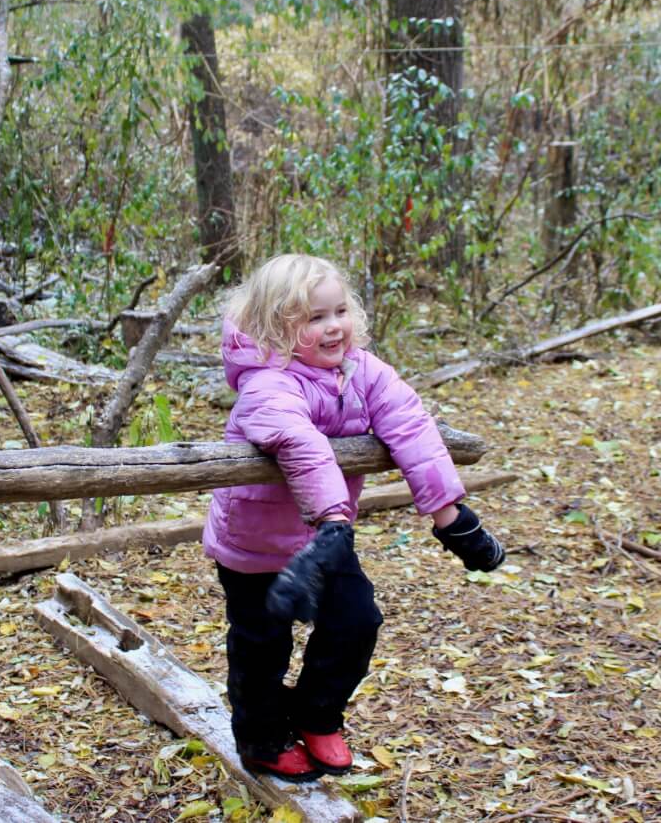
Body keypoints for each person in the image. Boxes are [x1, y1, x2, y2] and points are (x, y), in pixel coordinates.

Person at [202, 253, 506, 781]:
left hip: (326, 540)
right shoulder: (265, 384)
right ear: (276, 327)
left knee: (356, 622)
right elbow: (301, 445)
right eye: (314, 318)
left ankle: (317, 715)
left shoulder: (360, 370)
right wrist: (333, 520)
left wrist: (448, 514)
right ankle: (262, 737)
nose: (333, 326)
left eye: (339, 311)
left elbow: (409, 423)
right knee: (262, 647)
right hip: (258, 545)